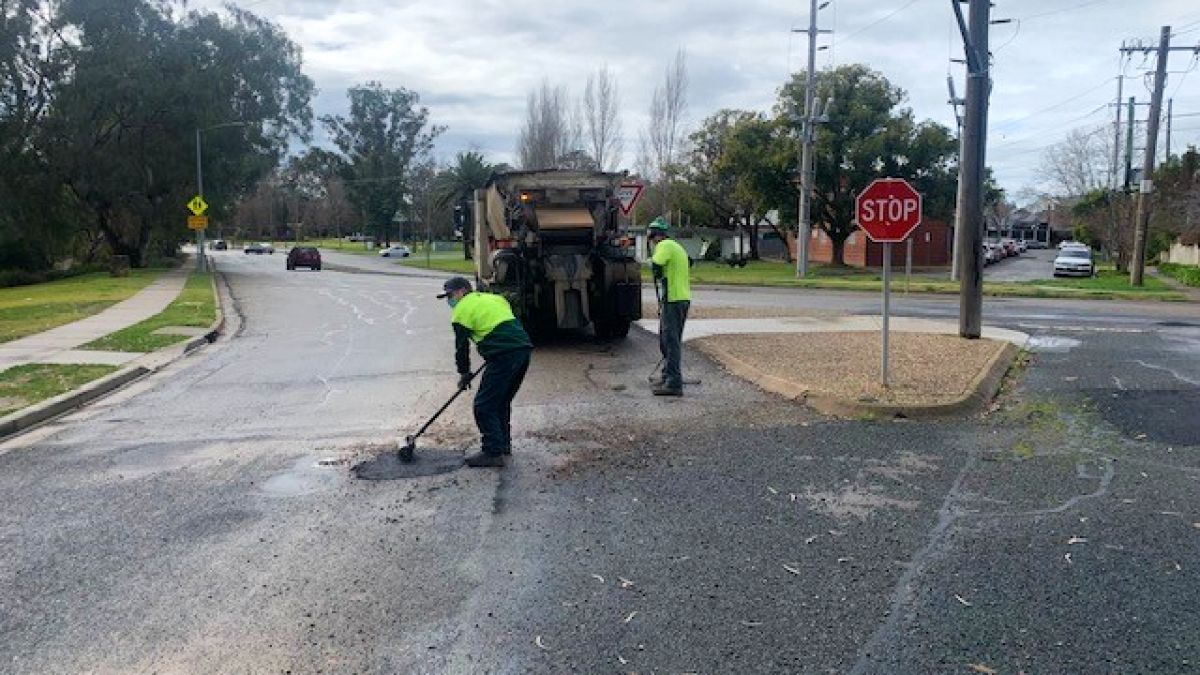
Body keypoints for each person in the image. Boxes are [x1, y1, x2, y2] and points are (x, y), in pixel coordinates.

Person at [438, 277, 533, 467]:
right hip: (523, 349)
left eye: (450, 295)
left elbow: (461, 348)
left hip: (503, 355)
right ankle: (503, 444)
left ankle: (492, 451)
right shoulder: (494, 298)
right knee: (501, 401)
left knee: (484, 405)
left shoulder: (461, 311)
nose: (449, 300)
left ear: (461, 291)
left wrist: (464, 373)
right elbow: (505, 324)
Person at [647, 217, 691, 396]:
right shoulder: (675, 246)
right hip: (679, 298)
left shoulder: (664, 246)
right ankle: (667, 376)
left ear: (655, 235)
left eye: (650, 237)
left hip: (673, 299)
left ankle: (673, 382)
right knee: (668, 340)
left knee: (670, 341)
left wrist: (654, 268)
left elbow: (656, 263)